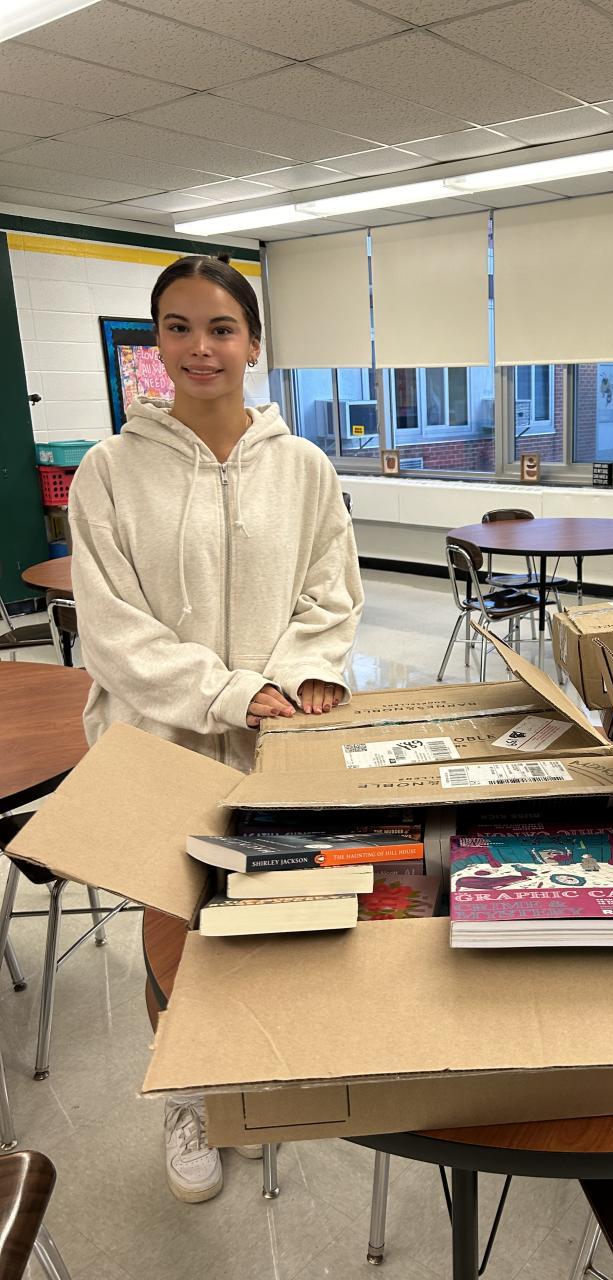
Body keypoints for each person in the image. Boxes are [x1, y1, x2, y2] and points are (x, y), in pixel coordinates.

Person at [69, 254, 363, 1203]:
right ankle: (189, 1094)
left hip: (275, 744)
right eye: (179, 327)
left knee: (272, 918)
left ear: (254, 344)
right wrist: (229, 691)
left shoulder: (303, 466)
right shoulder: (110, 471)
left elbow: (331, 591)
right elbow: (113, 631)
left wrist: (301, 675)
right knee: (175, 928)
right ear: (156, 344)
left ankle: (258, 1071)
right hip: (157, 742)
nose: (201, 347)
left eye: (221, 328)